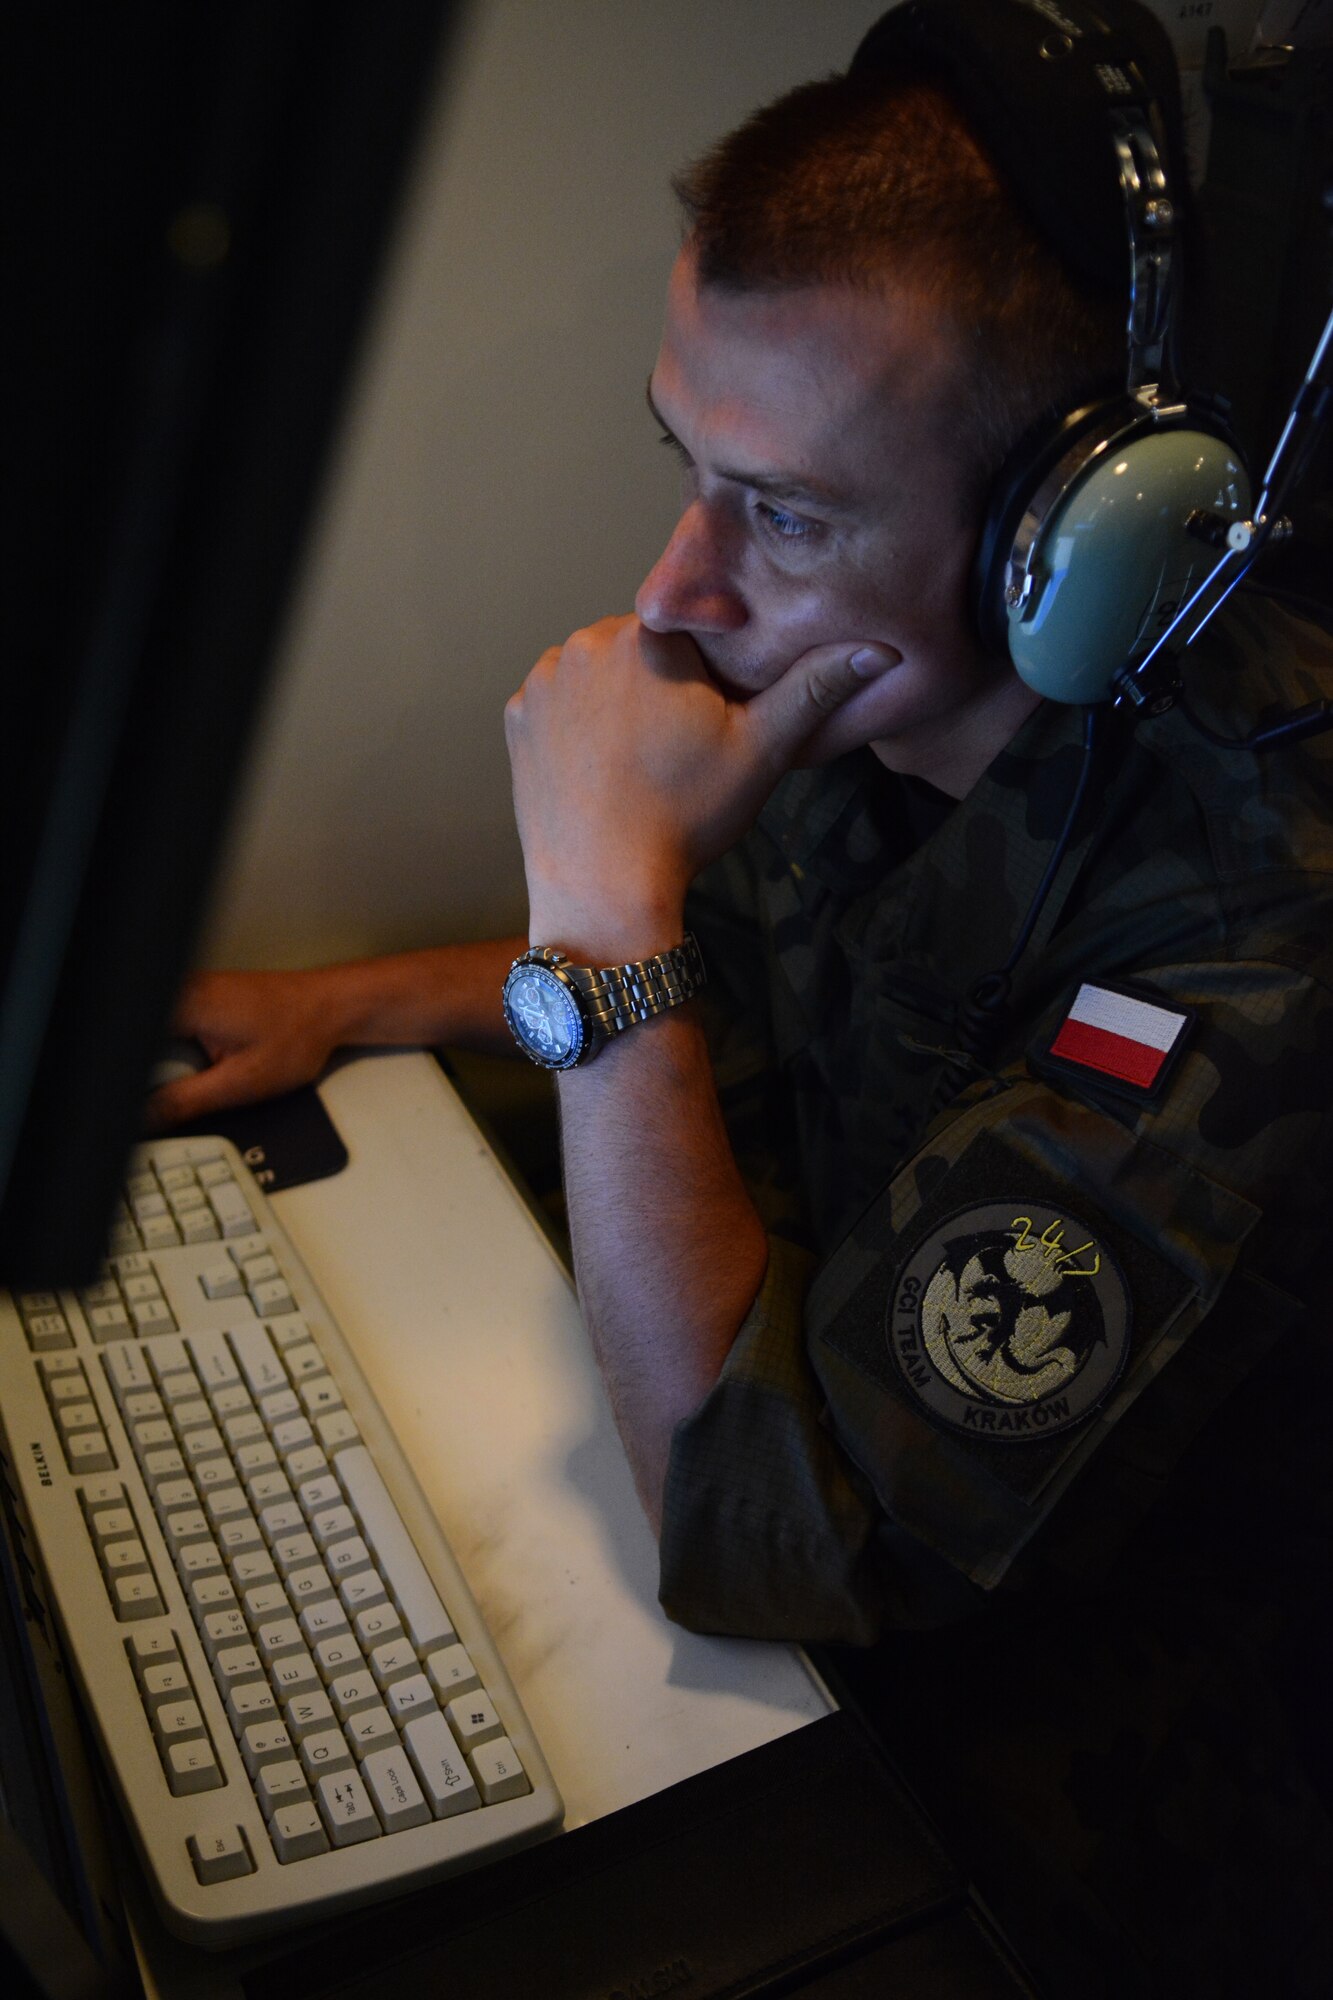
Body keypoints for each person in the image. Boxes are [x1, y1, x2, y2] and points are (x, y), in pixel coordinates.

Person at [154, 6, 1333, 1988]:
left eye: (779, 509)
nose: (680, 585)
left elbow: (779, 1532)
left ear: (1081, 547)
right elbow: (749, 1012)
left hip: (1096, 1775)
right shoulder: (878, 708)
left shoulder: (1247, 933)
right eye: (684, 466)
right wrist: (363, 1004)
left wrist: (598, 910)